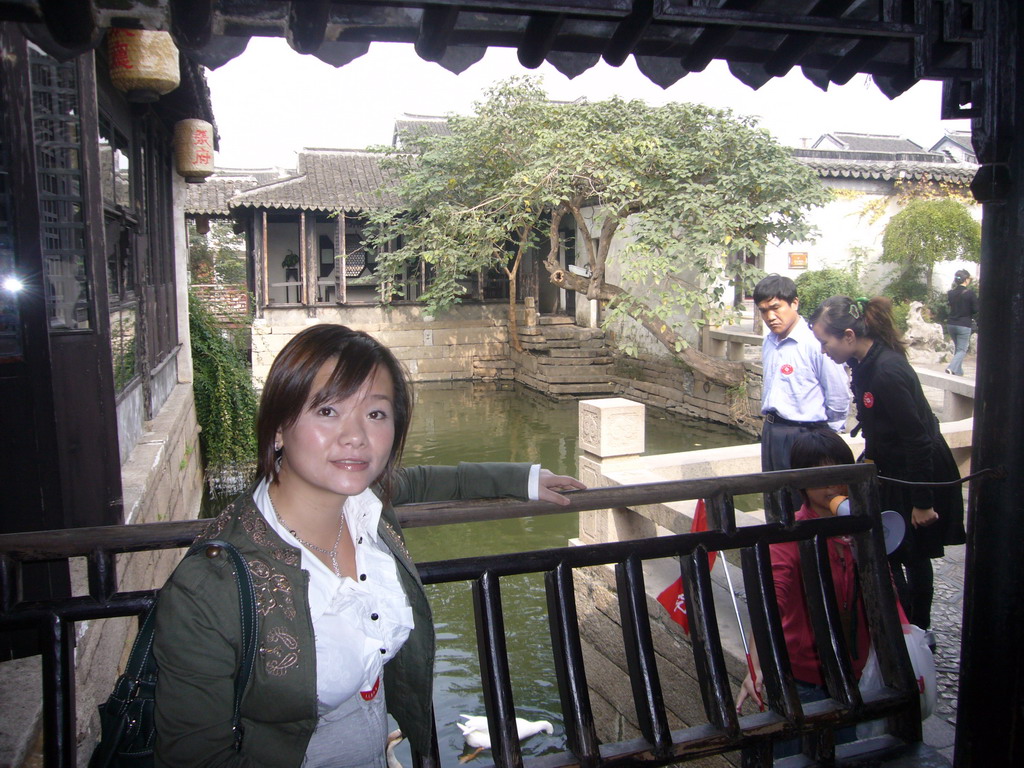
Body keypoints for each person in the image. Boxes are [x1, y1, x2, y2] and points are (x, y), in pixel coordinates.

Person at [152, 324, 586, 768]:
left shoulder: (364, 503)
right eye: (327, 411)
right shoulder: (211, 586)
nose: (356, 436)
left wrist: (524, 480)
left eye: (375, 414)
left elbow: (429, 480)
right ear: (279, 427)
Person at [809, 296, 966, 640]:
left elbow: (918, 439)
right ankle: (900, 627)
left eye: (825, 342)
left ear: (848, 336)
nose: (823, 350)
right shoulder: (867, 363)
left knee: (913, 554)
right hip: (891, 467)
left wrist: (922, 501)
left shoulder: (886, 371)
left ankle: (916, 632)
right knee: (893, 550)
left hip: (916, 470)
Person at [735, 429, 870, 756]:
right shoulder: (789, 537)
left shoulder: (858, 528)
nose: (835, 487)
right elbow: (770, 602)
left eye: (841, 474)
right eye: (823, 478)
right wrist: (758, 664)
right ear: (802, 483)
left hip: (853, 675)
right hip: (804, 680)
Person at [753, 275, 851, 514]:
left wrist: (830, 436)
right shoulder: (769, 341)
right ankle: (779, 550)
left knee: (805, 506)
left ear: (794, 303)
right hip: (773, 431)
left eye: (776, 308)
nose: (770, 317)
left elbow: (838, 394)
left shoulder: (814, 342)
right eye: (764, 311)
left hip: (806, 434)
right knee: (776, 502)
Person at [945, 269, 978, 376]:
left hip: (951, 324)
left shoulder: (950, 293)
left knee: (958, 348)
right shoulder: (970, 294)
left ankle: (958, 371)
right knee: (962, 350)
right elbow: (975, 309)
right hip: (963, 324)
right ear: (966, 280)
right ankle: (951, 368)